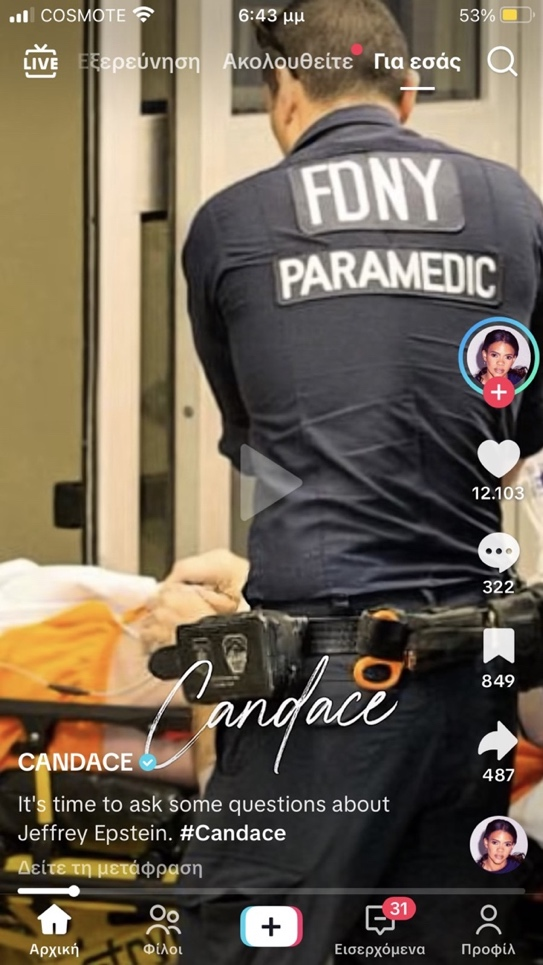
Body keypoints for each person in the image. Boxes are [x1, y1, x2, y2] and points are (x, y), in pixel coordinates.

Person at [178, 0, 543, 961]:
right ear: (407, 92)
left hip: (320, 689)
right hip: (472, 676)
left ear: (284, 92)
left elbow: (261, 445)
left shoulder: (230, 223)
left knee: (249, 941)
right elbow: (518, 434)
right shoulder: (510, 206)